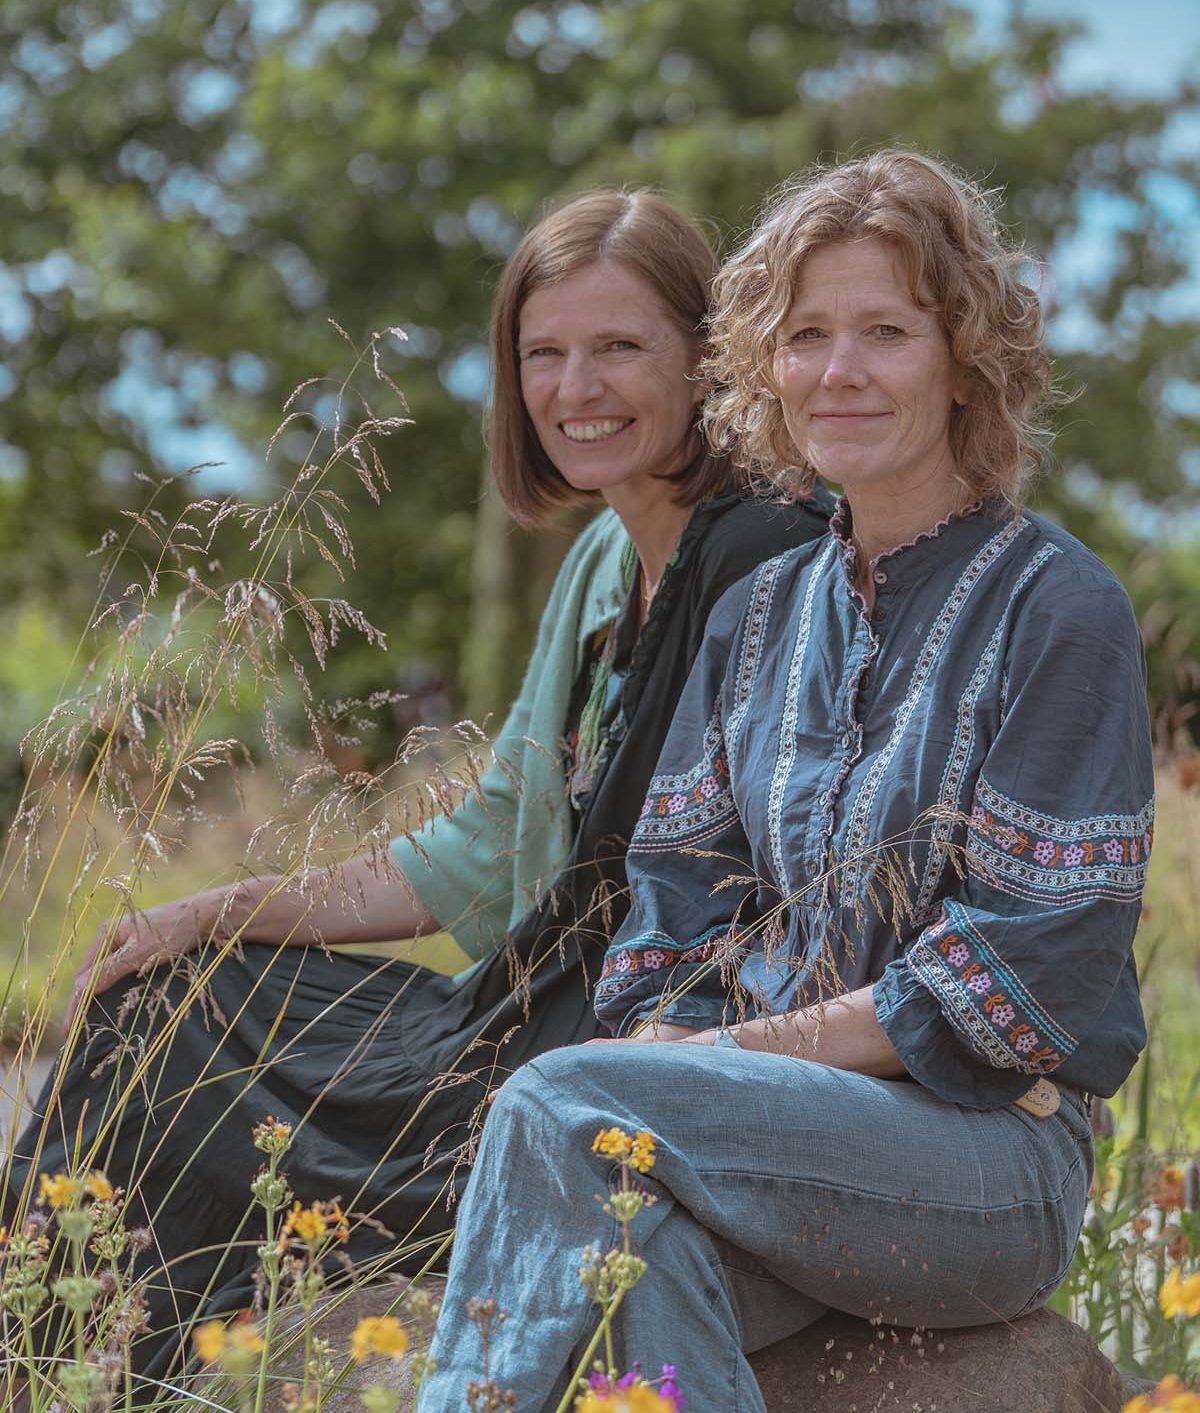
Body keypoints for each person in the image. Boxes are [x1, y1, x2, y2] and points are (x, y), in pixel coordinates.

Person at [6, 190, 831, 1378]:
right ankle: (57, 1362)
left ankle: (77, 1365)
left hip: (597, 1058)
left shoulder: (764, 551)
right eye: (542, 354)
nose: (575, 388)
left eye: (618, 348)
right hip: (510, 1006)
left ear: (706, 357)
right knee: (166, 995)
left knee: (190, 1071)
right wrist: (212, 909)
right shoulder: (608, 556)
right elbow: (492, 842)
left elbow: (718, 894)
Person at [416, 151, 1154, 1412]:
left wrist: (731, 1060)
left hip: (985, 1161)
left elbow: (1029, 975)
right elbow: (673, 907)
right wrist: (692, 1051)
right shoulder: (756, 612)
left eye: (885, 332)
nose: (838, 371)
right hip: (756, 1141)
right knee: (627, 1255)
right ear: (763, 363)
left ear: (966, 355)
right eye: (804, 335)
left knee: (559, 1096)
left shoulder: (1059, 607)